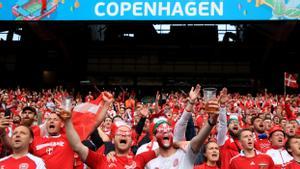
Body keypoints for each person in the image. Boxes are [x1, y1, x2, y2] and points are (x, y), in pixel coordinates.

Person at [62, 91, 154, 169]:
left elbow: (164, 148)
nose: (123, 135)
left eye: (127, 134)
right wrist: (67, 122)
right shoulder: (101, 159)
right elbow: (77, 146)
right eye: (120, 133)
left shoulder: (139, 159)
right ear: (113, 139)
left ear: (132, 141)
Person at [145, 84, 219, 169]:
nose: (165, 131)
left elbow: (183, 123)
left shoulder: (183, 148)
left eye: (168, 129)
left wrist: (191, 102)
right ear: (154, 134)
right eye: (161, 130)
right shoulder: (145, 150)